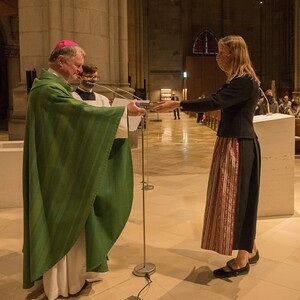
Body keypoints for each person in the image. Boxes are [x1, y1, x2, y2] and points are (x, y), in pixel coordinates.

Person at [22, 39, 145, 300]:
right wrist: (123, 115)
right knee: (64, 222)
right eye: (77, 65)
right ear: (60, 61)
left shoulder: (56, 87)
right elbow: (80, 115)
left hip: (65, 166)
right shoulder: (48, 90)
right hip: (58, 172)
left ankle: (72, 279)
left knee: (75, 222)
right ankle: (60, 285)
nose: (80, 70)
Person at [153, 35, 261, 278]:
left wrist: (178, 104)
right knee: (235, 200)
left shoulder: (244, 81)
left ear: (233, 54)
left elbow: (215, 102)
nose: (217, 57)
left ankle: (242, 259)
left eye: (221, 52)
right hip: (232, 142)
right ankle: (250, 248)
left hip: (239, 145)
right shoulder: (237, 79)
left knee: (239, 201)